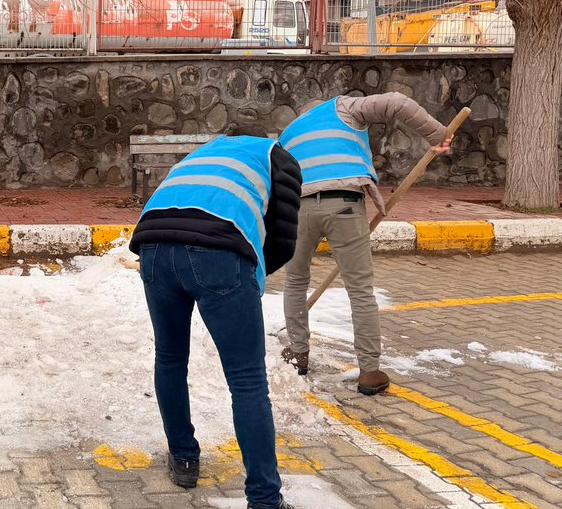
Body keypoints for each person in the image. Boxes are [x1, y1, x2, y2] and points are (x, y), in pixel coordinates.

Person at [130, 125, 302, 509]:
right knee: (247, 378)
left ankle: (184, 457)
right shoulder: (277, 154)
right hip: (219, 250)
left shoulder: (202, 152)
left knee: (170, 357)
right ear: (267, 135)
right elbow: (282, 238)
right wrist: (246, 282)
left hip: (153, 245)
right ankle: (264, 500)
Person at [278, 93, 451, 395]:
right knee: (359, 291)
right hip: (344, 203)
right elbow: (398, 101)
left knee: (294, 281)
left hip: (298, 208)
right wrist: (438, 135)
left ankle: (298, 353)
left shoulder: (290, 131)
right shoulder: (344, 107)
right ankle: (369, 372)